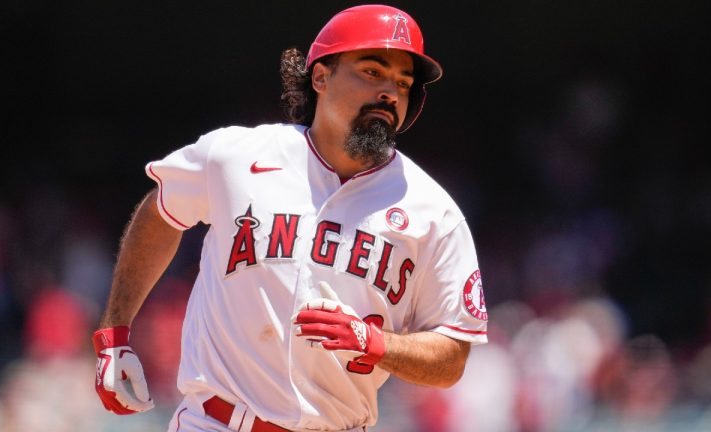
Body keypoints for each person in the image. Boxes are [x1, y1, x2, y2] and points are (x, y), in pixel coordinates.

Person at [92, 4, 488, 431]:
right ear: (320, 76)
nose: (390, 92)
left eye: (403, 83)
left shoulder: (433, 211)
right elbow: (161, 211)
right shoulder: (236, 156)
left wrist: (376, 343)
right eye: (373, 72)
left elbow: (451, 357)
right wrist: (113, 331)